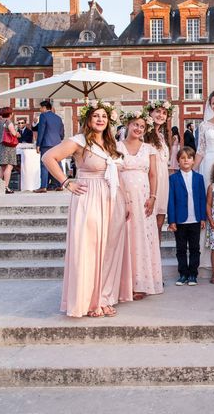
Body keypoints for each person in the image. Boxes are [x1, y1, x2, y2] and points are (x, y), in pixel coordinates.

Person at [42, 99, 123, 318]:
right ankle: (87, 301)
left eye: (104, 116)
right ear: (88, 119)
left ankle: (103, 297)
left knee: (107, 250)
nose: (100, 119)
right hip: (88, 198)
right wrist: (66, 182)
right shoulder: (78, 142)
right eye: (96, 115)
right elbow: (48, 157)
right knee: (89, 249)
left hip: (110, 198)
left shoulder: (110, 144)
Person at [117, 110, 162, 301]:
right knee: (125, 236)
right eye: (136, 124)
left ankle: (141, 282)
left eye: (142, 126)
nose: (138, 128)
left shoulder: (149, 148)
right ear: (128, 124)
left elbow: (153, 174)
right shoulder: (117, 147)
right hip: (122, 196)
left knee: (142, 236)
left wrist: (152, 197)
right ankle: (123, 283)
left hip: (144, 197)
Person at [168, 147, 207, 287]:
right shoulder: (173, 178)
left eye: (189, 157)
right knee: (181, 248)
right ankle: (183, 274)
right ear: (178, 161)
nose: (186, 160)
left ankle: (192, 274)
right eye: (183, 158)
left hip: (195, 219)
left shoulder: (199, 178)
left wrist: (203, 217)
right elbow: (170, 200)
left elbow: (202, 198)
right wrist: (172, 220)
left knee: (195, 248)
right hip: (180, 220)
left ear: (193, 161)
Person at [145, 100, 173, 240]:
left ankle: (156, 259)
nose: (161, 115)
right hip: (149, 181)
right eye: (158, 111)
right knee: (147, 222)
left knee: (159, 223)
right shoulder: (143, 134)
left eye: (164, 113)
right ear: (150, 113)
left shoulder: (162, 136)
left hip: (163, 182)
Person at [35, 100, 65, 193]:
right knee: (57, 164)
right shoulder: (58, 118)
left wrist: (38, 144)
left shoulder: (43, 116)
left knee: (44, 164)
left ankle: (43, 186)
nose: (40, 110)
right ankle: (60, 184)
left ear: (44, 108)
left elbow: (41, 131)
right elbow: (62, 133)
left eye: (41, 108)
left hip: (46, 143)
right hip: (57, 143)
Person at [0, 107, 19, 194]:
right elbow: (13, 133)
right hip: (9, 147)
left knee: (2, 167)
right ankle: (6, 187)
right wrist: (18, 134)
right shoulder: (8, 122)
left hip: (1, 146)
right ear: (10, 114)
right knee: (9, 166)